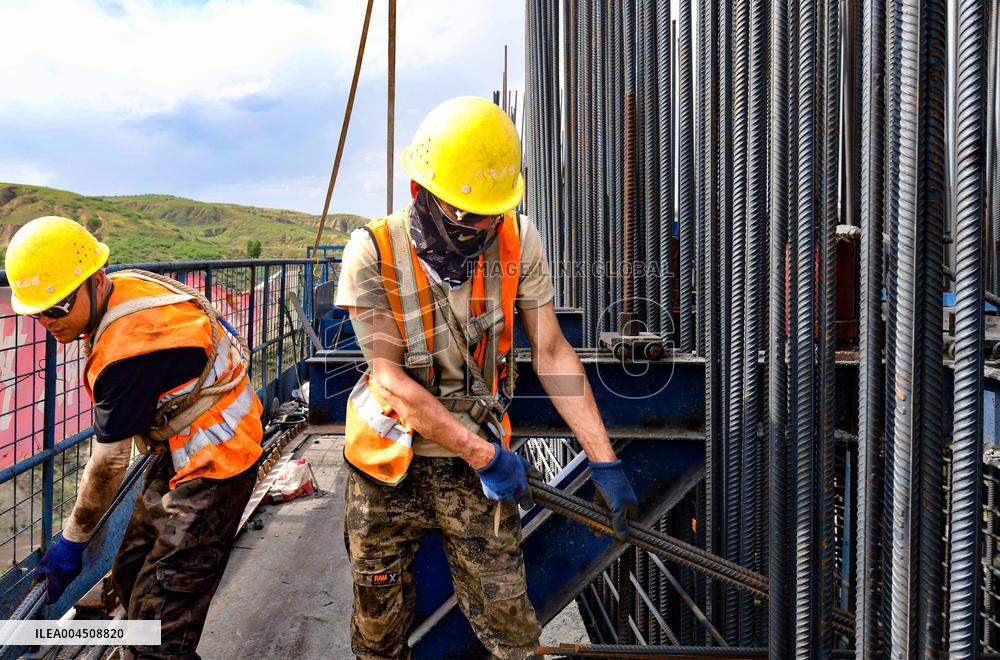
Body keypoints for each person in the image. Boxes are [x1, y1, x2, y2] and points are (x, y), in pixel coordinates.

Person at [337, 96, 639, 659]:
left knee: (512, 634)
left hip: (474, 467)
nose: (480, 228)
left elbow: (551, 352)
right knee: (378, 637)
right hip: (388, 470)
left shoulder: (516, 240)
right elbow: (390, 379)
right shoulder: (371, 253)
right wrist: (486, 456)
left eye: (490, 215)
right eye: (465, 215)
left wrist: (604, 459)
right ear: (419, 194)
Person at [4, 216, 264, 659]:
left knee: (158, 625)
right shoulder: (129, 286)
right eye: (35, 311)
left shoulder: (130, 350)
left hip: (218, 460)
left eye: (58, 307)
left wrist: (72, 543)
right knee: (129, 574)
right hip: (186, 446)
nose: (48, 321)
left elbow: (107, 465)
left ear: (95, 281)